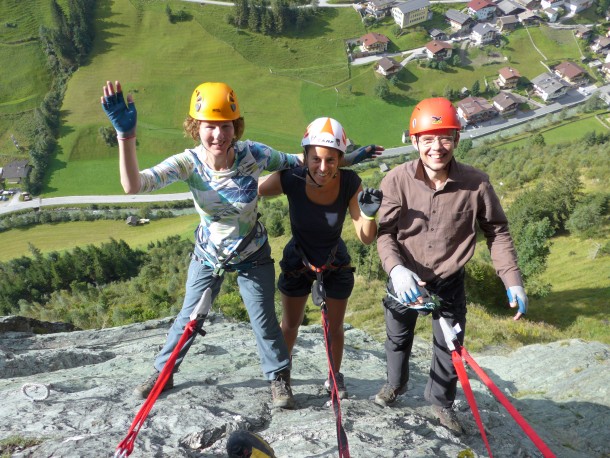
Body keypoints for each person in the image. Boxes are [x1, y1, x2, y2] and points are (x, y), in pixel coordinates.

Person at [100, 81, 378, 410]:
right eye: (209, 127)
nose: (218, 135)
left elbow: (303, 162)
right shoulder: (188, 164)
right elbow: (133, 186)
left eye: (225, 126)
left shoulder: (254, 154)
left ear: (236, 126)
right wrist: (126, 137)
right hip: (208, 255)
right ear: (195, 127)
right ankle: (164, 371)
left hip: (251, 253)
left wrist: (344, 160)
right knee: (189, 317)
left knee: (264, 320)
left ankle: (279, 378)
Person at [373, 97, 528, 434]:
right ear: (415, 141)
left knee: (450, 347)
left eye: (445, 138)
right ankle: (395, 385)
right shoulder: (396, 181)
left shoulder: (476, 183)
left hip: (448, 281)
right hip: (405, 279)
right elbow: (384, 232)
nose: (436, 147)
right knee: (397, 339)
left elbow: (497, 230)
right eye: (428, 139)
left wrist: (511, 279)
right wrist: (396, 270)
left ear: (456, 140)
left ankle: (441, 404)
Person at [258, 117, 383, 400]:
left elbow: (365, 236)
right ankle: (281, 375)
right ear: (304, 158)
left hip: (333, 261)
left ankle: (334, 375)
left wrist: (369, 214)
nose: (323, 168)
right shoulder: (291, 178)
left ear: (340, 159)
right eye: (316, 159)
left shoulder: (350, 182)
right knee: (290, 323)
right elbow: (252, 191)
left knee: (335, 327)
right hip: (298, 261)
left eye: (330, 160)